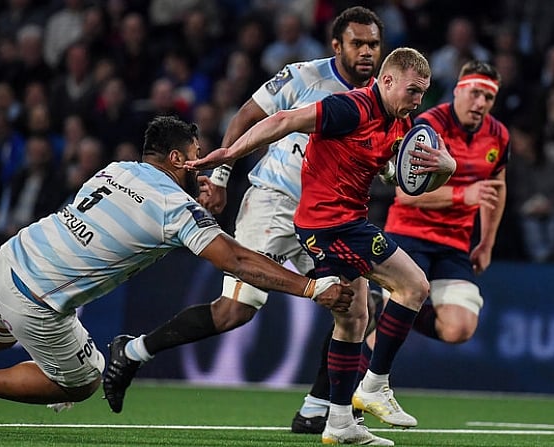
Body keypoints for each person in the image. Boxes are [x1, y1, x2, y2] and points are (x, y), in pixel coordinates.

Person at [100, 3, 389, 436]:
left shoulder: (383, 99)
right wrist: (220, 176)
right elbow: (246, 117)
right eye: (358, 43)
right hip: (273, 204)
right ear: (336, 45)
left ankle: (315, 408)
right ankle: (134, 351)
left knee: (361, 305)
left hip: (328, 216)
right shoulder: (303, 76)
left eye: (374, 44)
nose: (367, 51)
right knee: (235, 311)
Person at [188, 47, 454, 446]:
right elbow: (284, 119)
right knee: (414, 286)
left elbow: (403, 182)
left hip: (344, 222)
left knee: (352, 317)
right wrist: (231, 154)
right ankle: (375, 384)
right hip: (330, 225)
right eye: (413, 91)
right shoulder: (350, 108)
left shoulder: (399, 124)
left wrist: (445, 169)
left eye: (423, 93)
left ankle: (339, 423)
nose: (418, 101)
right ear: (386, 81)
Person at [0, 115, 352, 409]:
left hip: (10, 257)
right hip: (37, 300)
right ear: (177, 160)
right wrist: (310, 286)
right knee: (84, 380)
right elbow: (238, 261)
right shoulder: (173, 207)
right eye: (196, 156)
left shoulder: (116, 170)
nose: (201, 164)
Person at [292, 60, 509, 432]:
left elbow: (496, 189)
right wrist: (461, 192)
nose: (480, 102)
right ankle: (340, 407)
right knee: (379, 308)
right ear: (458, 89)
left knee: (457, 328)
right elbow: (405, 195)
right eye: (475, 92)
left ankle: (347, 401)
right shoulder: (428, 124)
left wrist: (486, 241)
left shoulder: (498, 135)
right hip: (411, 232)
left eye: (488, 96)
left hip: (455, 244)